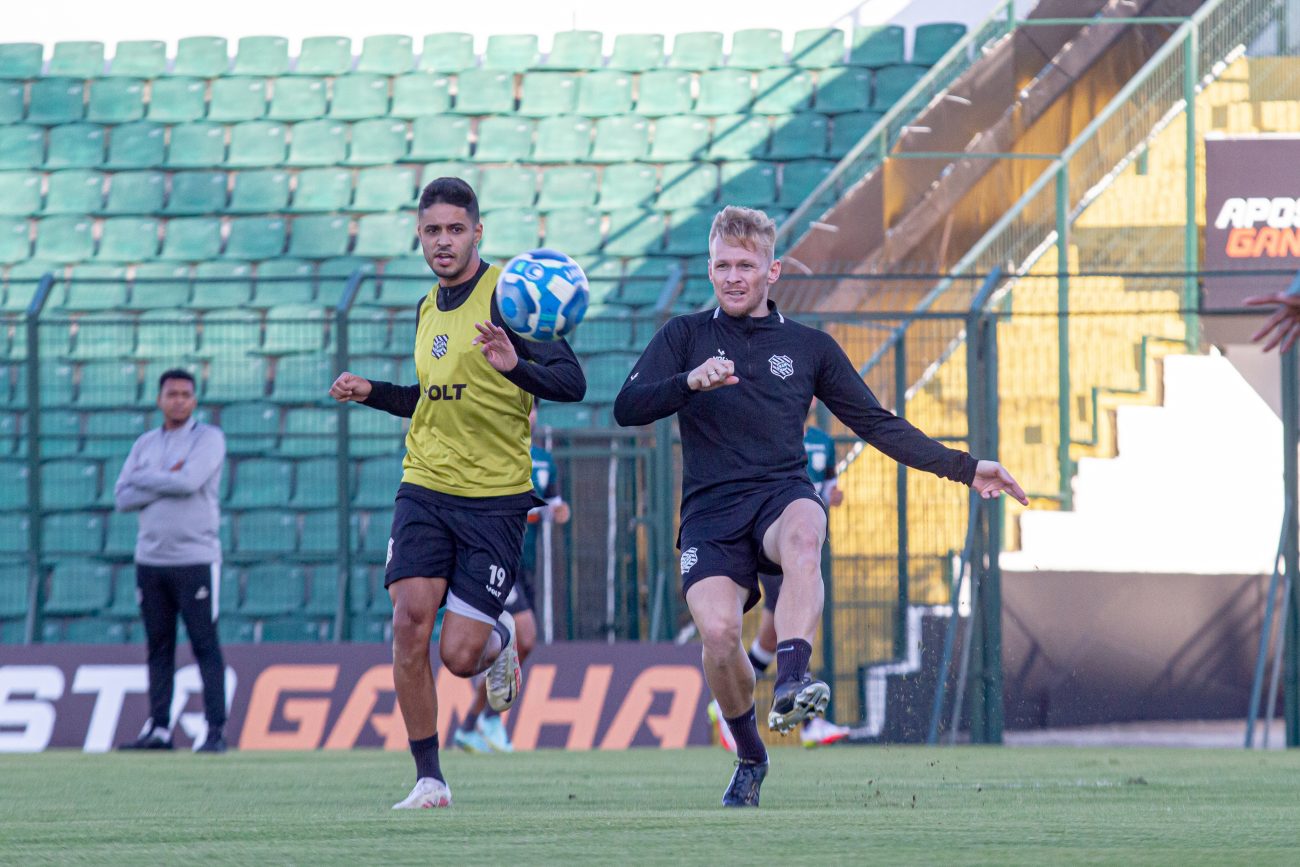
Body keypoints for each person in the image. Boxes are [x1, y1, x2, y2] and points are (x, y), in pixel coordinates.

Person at [613, 205, 1028, 808]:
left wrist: (966, 468)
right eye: (722, 265)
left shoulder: (809, 348)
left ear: (772, 270)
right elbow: (626, 408)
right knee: (721, 634)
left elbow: (876, 424)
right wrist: (688, 382)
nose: (732, 277)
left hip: (781, 496)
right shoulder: (684, 336)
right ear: (709, 268)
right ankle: (751, 754)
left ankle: (793, 677)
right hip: (709, 512)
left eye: (745, 265)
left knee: (807, 532)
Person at [329, 178, 585, 809]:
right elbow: (431, 401)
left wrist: (514, 366)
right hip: (425, 485)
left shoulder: (510, 295)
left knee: (460, 657)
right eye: (431, 230)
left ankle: (496, 645)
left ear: (477, 232)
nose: (443, 241)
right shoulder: (426, 308)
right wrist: (375, 393)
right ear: (419, 236)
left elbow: (572, 382)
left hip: (495, 498)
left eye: (454, 229)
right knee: (408, 623)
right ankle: (429, 778)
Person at [707, 421, 850, 751]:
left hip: (805, 539)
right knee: (793, 619)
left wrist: (834, 495)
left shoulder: (821, 442)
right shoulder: (765, 429)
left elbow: (827, 487)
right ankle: (809, 722)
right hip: (773, 539)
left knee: (773, 631)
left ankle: (722, 703)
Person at [114, 368, 229, 754]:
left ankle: (214, 730)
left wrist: (146, 479)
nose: (178, 400)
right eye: (172, 394)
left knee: (204, 644)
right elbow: (121, 497)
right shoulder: (145, 443)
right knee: (158, 646)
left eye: (185, 394)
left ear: (194, 400)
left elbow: (189, 482)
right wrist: (165, 476)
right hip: (150, 559)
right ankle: (160, 729)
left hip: (195, 558)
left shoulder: (209, 439)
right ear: (160, 399)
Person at [454, 402, 570, 754]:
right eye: (525, 407)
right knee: (527, 635)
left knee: (522, 644)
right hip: (496, 561)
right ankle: (489, 718)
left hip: (525, 563)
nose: (530, 415)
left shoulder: (545, 461)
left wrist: (558, 512)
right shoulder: (495, 452)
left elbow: (553, 505)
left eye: (534, 408)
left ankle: (472, 724)